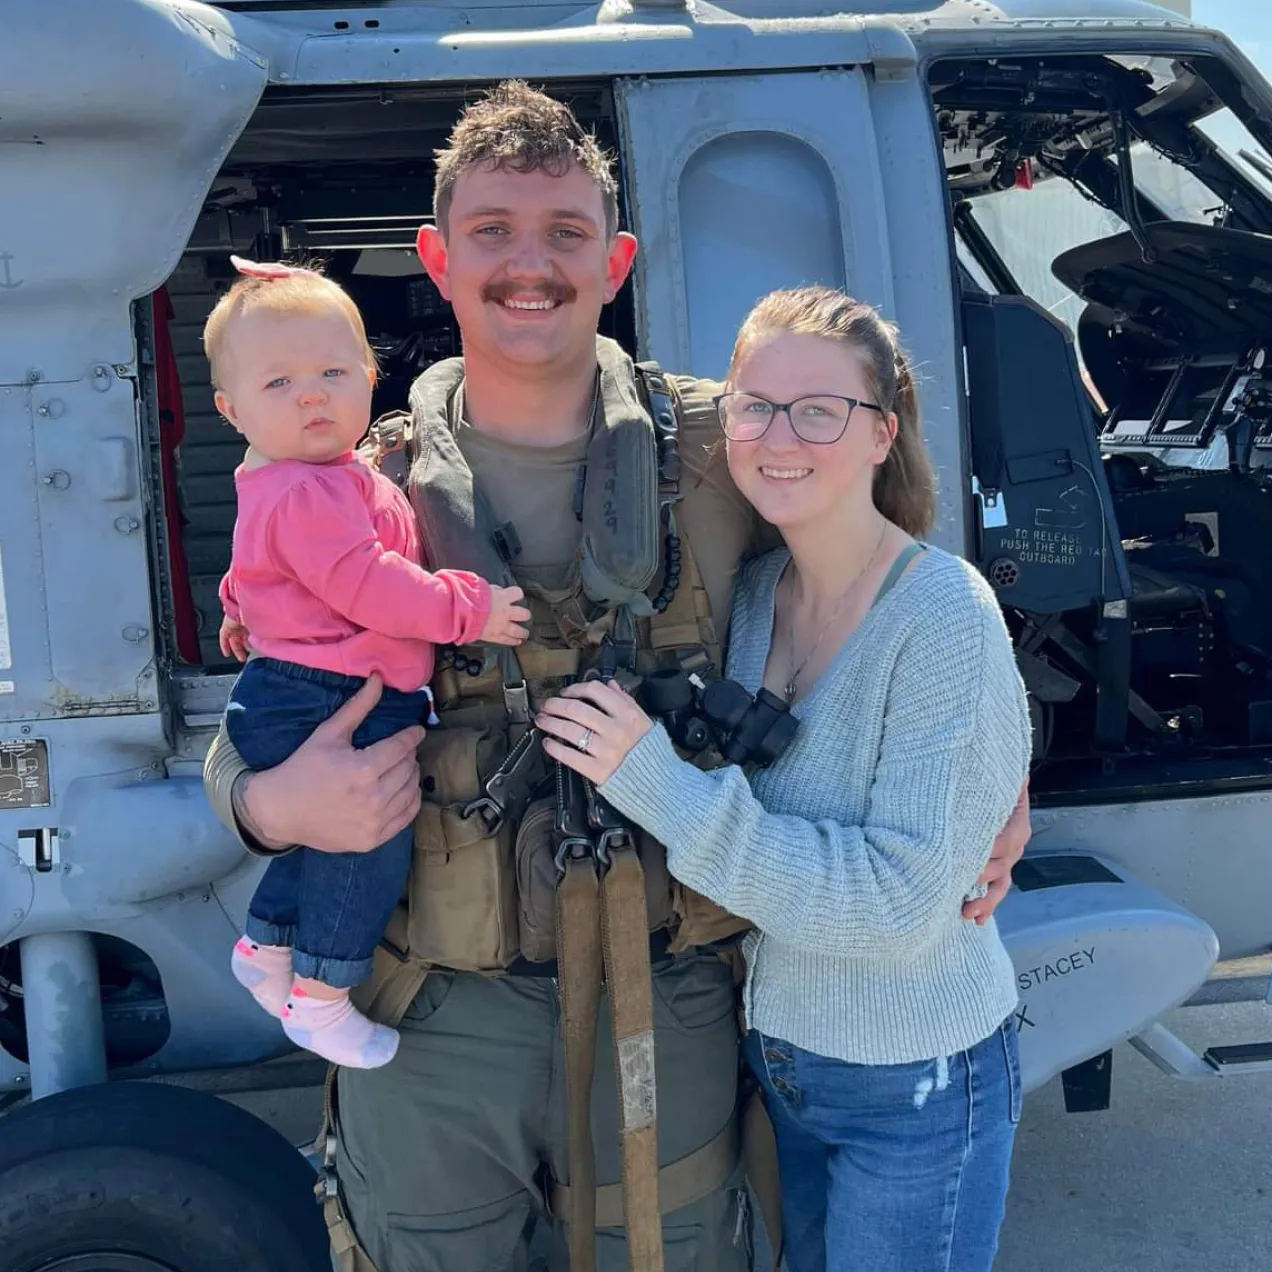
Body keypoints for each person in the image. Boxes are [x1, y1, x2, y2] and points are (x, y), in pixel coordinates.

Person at [203, 82, 1030, 1272]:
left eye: (565, 234)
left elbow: (895, 591)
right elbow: (258, 710)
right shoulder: (356, 483)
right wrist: (264, 805)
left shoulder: (720, 450)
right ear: (436, 257)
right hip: (434, 1018)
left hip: (669, 1000)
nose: (526, 266)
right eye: (491, 231)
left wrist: (999, 789)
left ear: (618, 259)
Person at [537, 285, 1033, 1272]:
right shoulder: (755, 594)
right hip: (778, 1059)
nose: (779, 435)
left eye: (820, 410)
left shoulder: (944, 614)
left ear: (882, 434)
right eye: (754, 405)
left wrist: (655, 783)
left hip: (916, 1078)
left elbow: (898, 904)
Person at [207, 266, 530, 1068]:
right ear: (231, 410)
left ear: (371, 374)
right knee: (368, 840)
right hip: (333, 692)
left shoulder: (300, 478)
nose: (311, 396)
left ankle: (268, 945)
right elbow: (363, 583)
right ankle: (320, 998)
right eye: (279, 382)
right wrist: (470, 608)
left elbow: (259, 563)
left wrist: (242, 607)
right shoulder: (312, 490)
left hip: (309, 687)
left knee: (325, 836)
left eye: (332, 373)